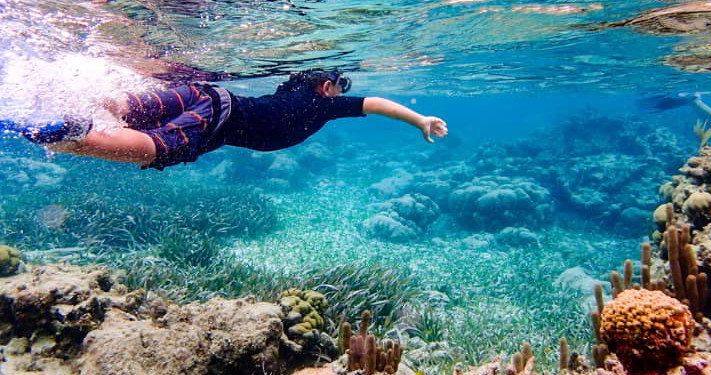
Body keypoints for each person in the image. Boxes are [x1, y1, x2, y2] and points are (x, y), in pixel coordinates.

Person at [14, 70, 448, 170]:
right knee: (157, 149)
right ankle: (64, 134)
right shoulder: (322, 104)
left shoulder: (286, 95)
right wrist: (420, 119)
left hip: (209, 98)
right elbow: (377, 103)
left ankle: (62, 105)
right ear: (325, 86)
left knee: (129, 107)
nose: (343, 93)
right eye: (339, 84)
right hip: (218, 115)